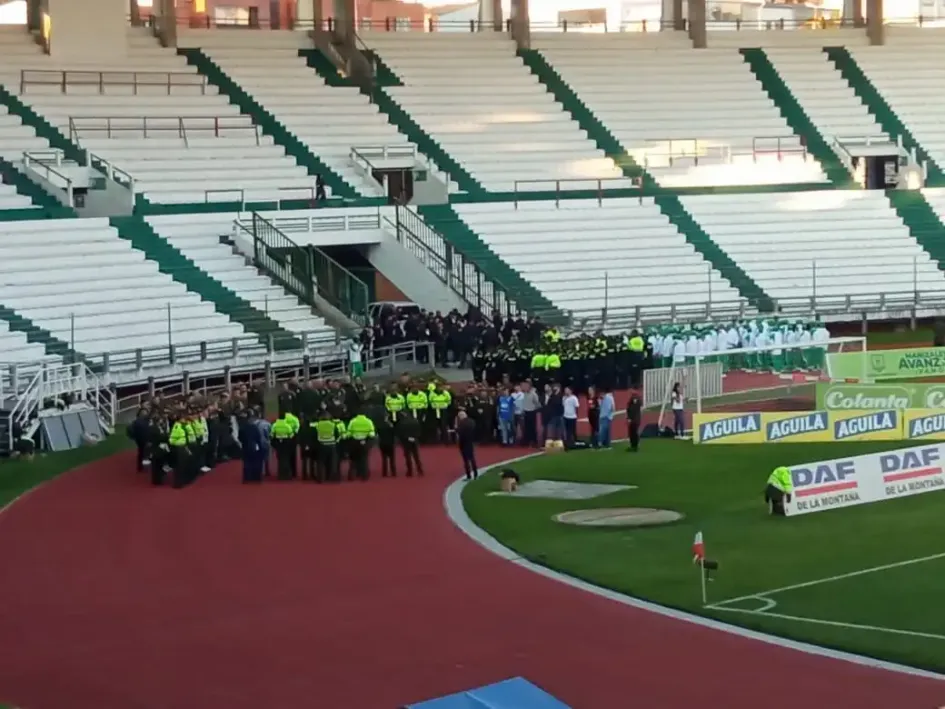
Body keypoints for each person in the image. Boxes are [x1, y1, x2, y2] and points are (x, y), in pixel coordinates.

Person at [346, 412, 376, 481]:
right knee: (364, 460)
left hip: (354, 442)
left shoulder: (353, 421)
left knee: (353, 460)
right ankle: (364, 476)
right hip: (364, 442)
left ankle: (351, 476)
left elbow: (349, 433)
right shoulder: (368, 421)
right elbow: (372, 434)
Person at [239, 411, 264, 484]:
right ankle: (256, 477)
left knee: (247, 463)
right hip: (254, 446)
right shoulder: (255, 428)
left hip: (246, 446)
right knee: (256, 462)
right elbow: (258, 437)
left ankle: (247, 478)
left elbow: (240, 437)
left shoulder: (243, 428)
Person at [397, 411, 424, 477]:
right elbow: (419, 430)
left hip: (406, 441)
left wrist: (402, 440)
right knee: (416, 456)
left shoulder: (402, 423)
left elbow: (400, 433)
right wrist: (415, 437)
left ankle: (410, 471)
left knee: (408, 456)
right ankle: (420, 470)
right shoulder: (415, 421)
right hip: (414, 439)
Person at [271, 414, 295, 481]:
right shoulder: (287, 426)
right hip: (286, 443)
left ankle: (280, 475)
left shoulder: (275, 425)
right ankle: (286, 475)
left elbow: (272, 435)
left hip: (278, 444)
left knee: (280, 459)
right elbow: (291, 435)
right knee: (286, 459)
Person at [456, 410, 479, 481]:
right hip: (471, 442)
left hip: (464, 443)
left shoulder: (461, 423)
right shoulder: (472, 421)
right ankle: (475, 474)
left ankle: (469, 475)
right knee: (472, 458)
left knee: (466, 460)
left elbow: (460, 433)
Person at [626, 388, 642, 453]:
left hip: (635, 419)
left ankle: (635, 446)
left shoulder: (635, 399)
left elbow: (633, 409)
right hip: (635, 419)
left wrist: (630, 418)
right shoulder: (633, 399)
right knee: (632, 433)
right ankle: (633, 446)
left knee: (634, 433)